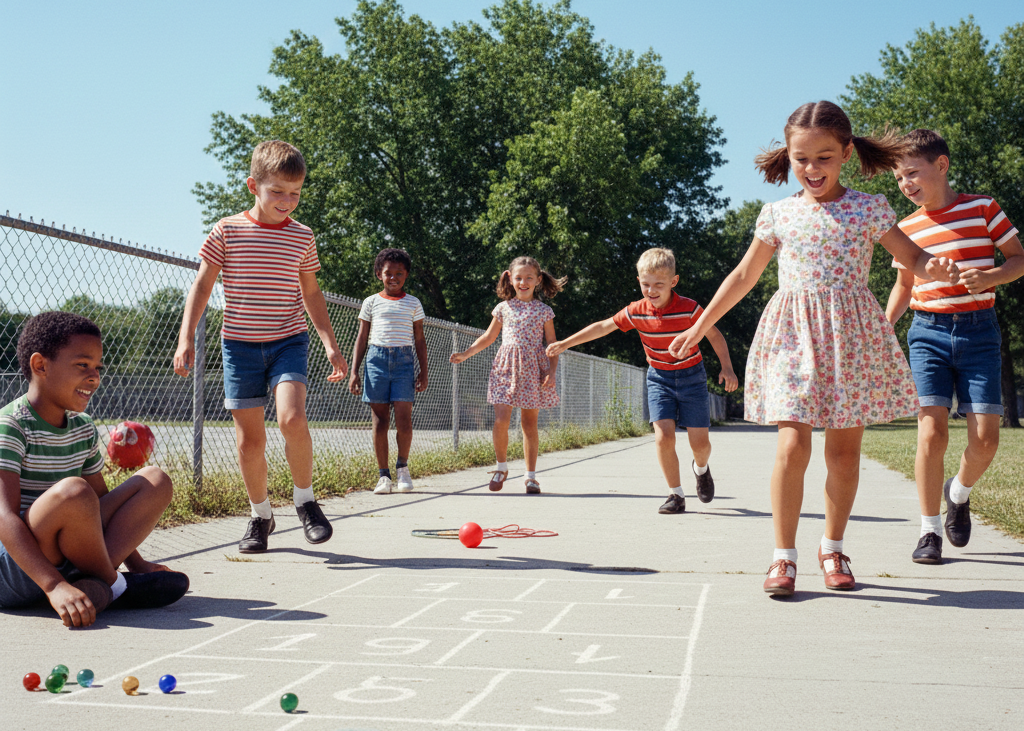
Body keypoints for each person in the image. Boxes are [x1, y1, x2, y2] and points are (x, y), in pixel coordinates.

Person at [668, 101, 958, 596]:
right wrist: (701, 325)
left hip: (851, 338)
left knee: (844, 455)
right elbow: (744, 276)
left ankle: (833, 546)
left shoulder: (870, 207)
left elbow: (912, 257)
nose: (812, 169)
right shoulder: (777, 214)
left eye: (824, 157)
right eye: (801, 159)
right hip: (792, 338)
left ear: (846, 152)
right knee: (792, 444)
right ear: (789, 156)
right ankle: (783, 559)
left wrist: (938, 268)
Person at [173, 140, 348, 554]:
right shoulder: (227, 231)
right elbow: (202, 285)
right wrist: (186, 337)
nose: (287, 201)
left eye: (296, 193)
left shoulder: (302, 237)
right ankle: (260, 515)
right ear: (254, 185)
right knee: (250, 441)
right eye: (278, 192)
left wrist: (330, 345)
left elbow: (311, 293)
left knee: (291, 418)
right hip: (239, 345)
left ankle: (305, 501)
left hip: (289, 338)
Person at [885, 129, 1024, 564]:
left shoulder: (982, 208)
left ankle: (957, 493)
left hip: (979, 330)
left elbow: (1018, 259)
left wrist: (991, 278)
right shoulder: (904, 228)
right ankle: (928, 531)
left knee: (986, 437)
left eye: (911, 173)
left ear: (940, 166)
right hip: (927, 332)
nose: (905, 184)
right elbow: (904, 285)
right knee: (932, 431)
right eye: (898, 178)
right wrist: (884, 327)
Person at [0, 312, 189, 627]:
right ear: (40, 365)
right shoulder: (12, 426)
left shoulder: (83, 428)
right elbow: (4, 517)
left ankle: (92, 588)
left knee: (154, 480)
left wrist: (138, 563)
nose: (94, 377)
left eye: (98, 368)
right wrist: (53, 585)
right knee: (73, 493)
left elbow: (102, 507)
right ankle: (115, 587)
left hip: (70, 557)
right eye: (82, 365)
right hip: (15, 568)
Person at [547, 248, 737, 513]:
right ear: (639, 281)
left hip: (692, 377)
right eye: (646, 284)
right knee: (663, 437)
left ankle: (701, 469)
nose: (651, 290)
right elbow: (603, 326)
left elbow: (714, 335)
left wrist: (727, 368)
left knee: (700, 444)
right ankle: (675, 495)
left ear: (674, 281)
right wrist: (566, 343)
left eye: (659, 284)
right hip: (659, 378)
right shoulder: (636, 311)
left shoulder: (690, 309)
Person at [450, 256, 565, 494]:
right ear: (510, 278)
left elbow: (552, 344)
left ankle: (531, 477)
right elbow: (489, 337)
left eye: (529, 278)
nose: (523, 282)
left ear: (538, 280)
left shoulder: (544, 311)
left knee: (529, 424)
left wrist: (552, 373)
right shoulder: (503, 308)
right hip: (505, 368)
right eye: (519, 277)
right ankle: (501, 468)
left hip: (533, 370)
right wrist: (466, 353)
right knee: (501, 420)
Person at [348, 248, 428, 494]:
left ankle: (403, 468)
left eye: (399, 274)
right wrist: (354, 372)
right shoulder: (370, 302)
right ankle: (384, 476)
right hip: (376, 361)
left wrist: (423, 371)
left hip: (404, 362)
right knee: (380, 421)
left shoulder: (413, 303)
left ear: (406, 275)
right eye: (388, 273)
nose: (393, 278)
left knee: (404, 420)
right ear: (378, 274)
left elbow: (419, 339)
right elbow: (361, 338)